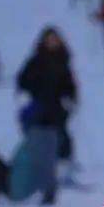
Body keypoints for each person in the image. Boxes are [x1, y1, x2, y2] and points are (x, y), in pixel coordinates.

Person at [17, 27, 79, 173]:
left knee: (62, 137)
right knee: (41, 137)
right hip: (39, 105)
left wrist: (71, 97)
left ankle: (63, 168)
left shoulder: (63, 60)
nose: (53, 42)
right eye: (50, 39)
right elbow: (23, 80)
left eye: (55, 39)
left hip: (58, 106)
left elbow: (69, 83)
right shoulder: (36, 60)